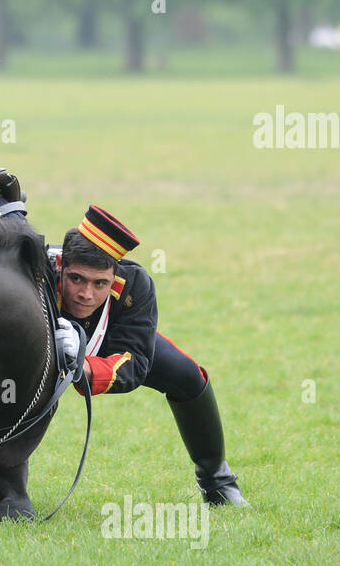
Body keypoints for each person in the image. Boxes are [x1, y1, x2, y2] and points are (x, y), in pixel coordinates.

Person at [50, 205, 249, 506]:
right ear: (62, 264)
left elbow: (135, 360)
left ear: (115, 273)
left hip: (106, 348)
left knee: (187, 375)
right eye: (76, 279)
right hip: (40, 341)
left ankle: (217, 481)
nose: (86, 294)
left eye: (99, 283)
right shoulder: (35, 271)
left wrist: (85, 367)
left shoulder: (136, 285)